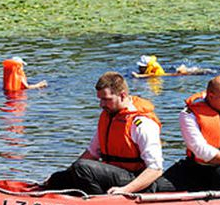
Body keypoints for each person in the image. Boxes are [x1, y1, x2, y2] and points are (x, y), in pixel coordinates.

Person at [45, 72, 174, 195]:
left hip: (134, 179)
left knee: (82, 168)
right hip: (113, 174)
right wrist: (68, 174)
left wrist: (126, 190)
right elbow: (91, 153)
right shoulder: (108, 116)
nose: (101, 105)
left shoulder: (141, 123)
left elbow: (155, 169)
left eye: (106, 99)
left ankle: (99, 204)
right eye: (100, 99)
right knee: (59, 178)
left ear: (122, 96)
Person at [132, 54, 215, 78]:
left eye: (141, 66)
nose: (139, 68)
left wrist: (138, 76)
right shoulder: (152, 69)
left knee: (189, 73)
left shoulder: (154, 72)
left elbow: (150, 75)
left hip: (172, 75)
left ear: (147, 66)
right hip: (171, 74)